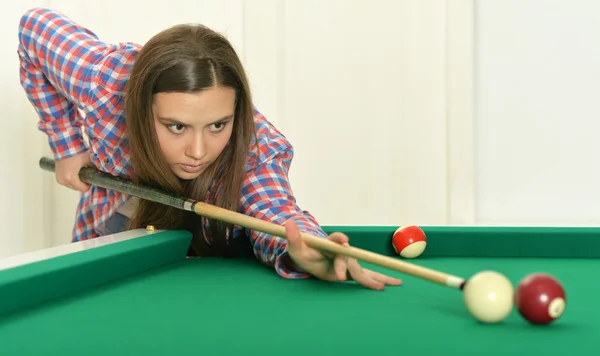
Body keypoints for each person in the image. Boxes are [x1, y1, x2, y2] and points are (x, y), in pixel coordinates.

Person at [17, 7, 402, 290]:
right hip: (108, 229)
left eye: (218, 125)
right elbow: (33, 28)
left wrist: (305, 246)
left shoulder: (255, 150)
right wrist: (66, 144)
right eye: (177, 126)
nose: (199, 151)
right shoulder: (108, 83)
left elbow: (276, 211)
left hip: (206, 263)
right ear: (139, 106)